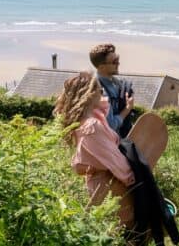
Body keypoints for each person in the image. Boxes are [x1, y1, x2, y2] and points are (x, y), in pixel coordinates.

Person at [53, 71, 135, 227]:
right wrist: (139, 178)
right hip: (111, 190)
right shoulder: (92, 126)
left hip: (100, 187)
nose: (103, 94)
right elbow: (118, 164)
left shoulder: (86, 121)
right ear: (90, 95)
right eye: (99, 90)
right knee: (115, 234)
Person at [89, 43, 135, 137]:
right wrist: (127, 109)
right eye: (114, 62)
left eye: (117, 59)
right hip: (110, 143)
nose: (118, 63)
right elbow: (111, 125)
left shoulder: (115, 82)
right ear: (101, 67)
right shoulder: (100, 92)